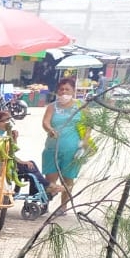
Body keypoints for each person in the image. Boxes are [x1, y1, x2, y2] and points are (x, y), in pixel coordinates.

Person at [41, 76, 92, 215]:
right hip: (52, 148)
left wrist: (85, 142)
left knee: (68, 179)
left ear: (74, 91)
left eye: (67, 89)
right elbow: (45, 122)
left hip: (73, 150)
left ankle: (63, 207)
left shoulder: (81, 106)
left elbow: (89, 125)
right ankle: (45, 204)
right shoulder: (52, 106)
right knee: (50, 179)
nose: (64, 92)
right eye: (61, 89)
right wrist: (50, 130)